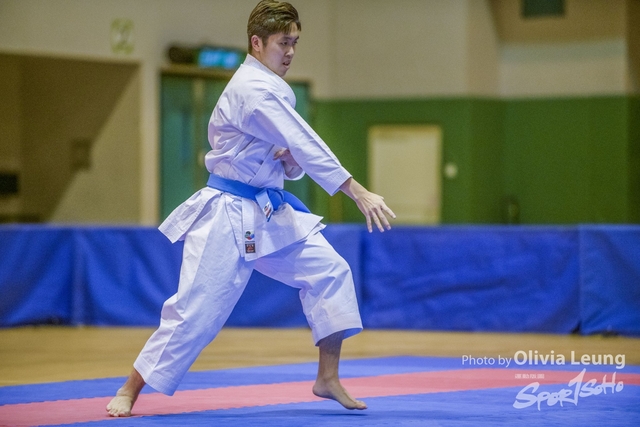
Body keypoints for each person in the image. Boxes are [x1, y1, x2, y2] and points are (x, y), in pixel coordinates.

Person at [107, 0, 395, 417]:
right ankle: (130, 388)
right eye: (282, 43)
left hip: (268, 213)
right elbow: (305, 142)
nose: (290, 52)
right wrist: (357, 191)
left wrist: (288, 161)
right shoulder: (253, 89)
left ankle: (327, 377)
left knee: (330, 272)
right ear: (257, 43)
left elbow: (287, 154)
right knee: (196, 312)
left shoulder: (271, 88)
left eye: (295, 43)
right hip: (226, 214)